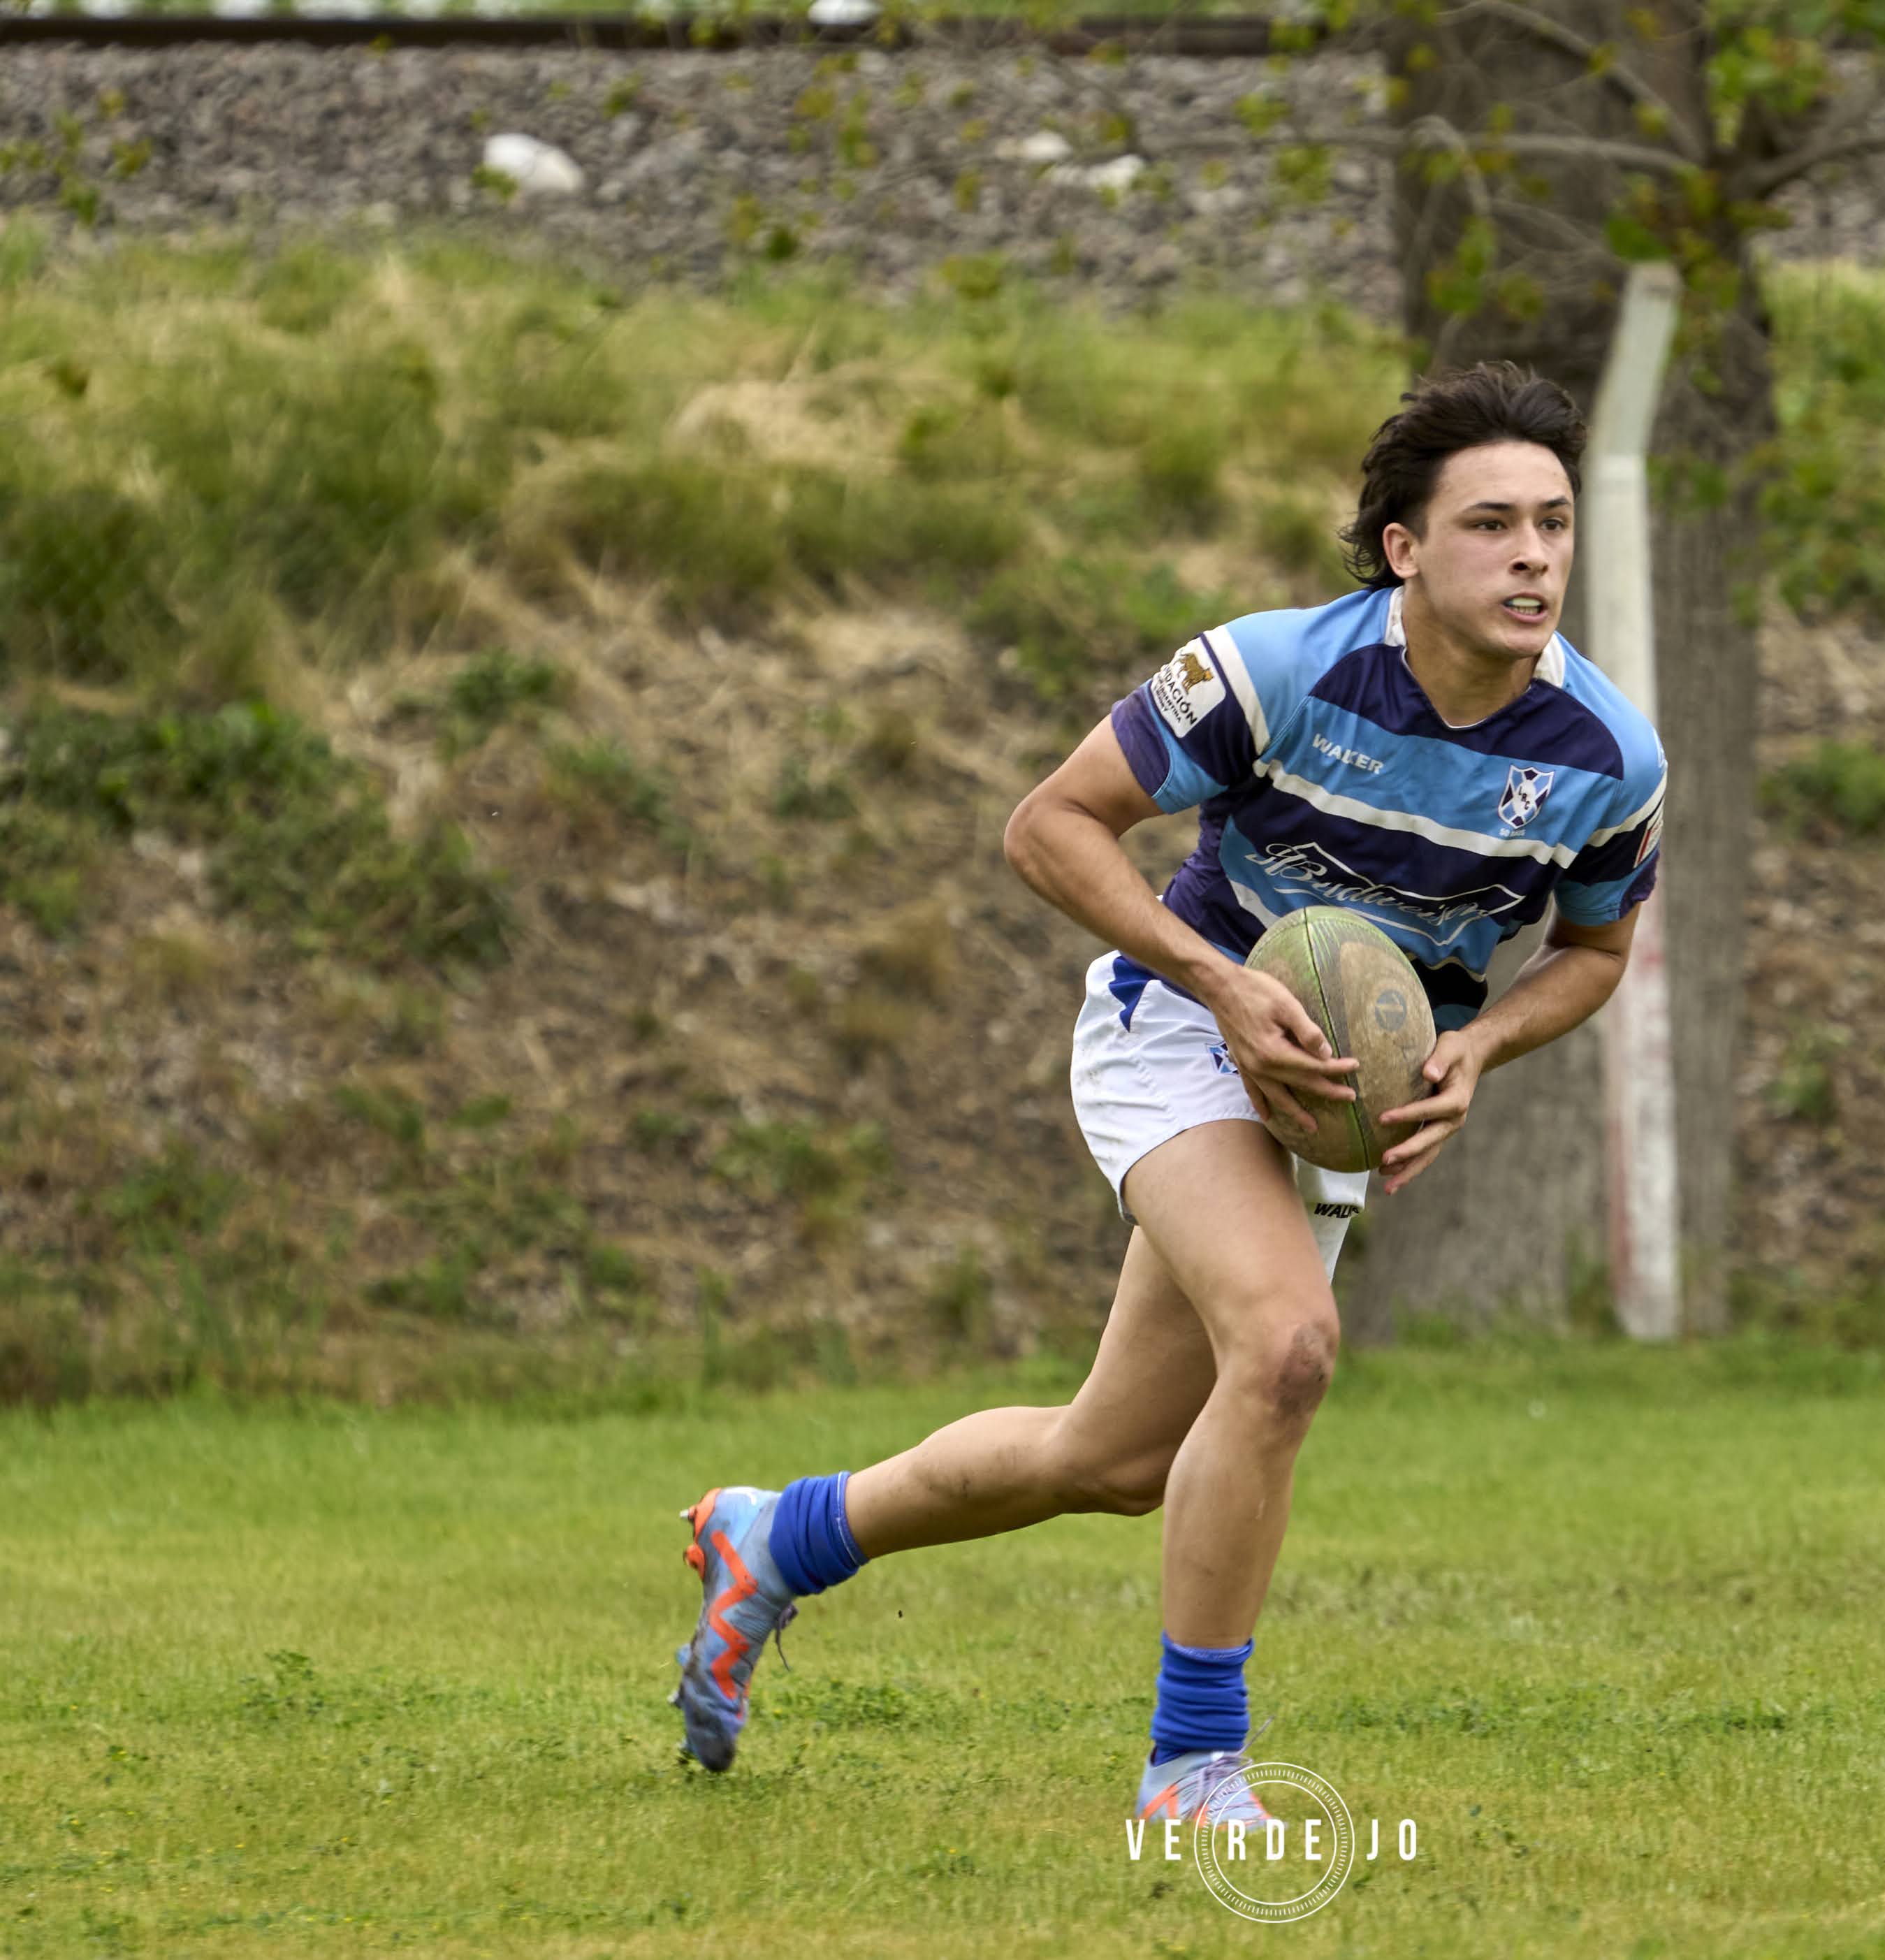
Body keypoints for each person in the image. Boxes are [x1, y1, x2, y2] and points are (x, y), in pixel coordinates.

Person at [667, 362, 1667, 1826]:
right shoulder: (1275, 671)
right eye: (1491, 524)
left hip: (1332, 1087)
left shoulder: (1606, 757)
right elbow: (1049, 825)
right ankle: (1193, 1772)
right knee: (1288, 1347)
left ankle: (779, 1536)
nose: (1532, 556)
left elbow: (1591, 952)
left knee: (1116, 1455)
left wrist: (1476, 1048)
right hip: (1181, 1026)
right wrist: (1219, 982)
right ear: (1406, 547)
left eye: (1554, 524)